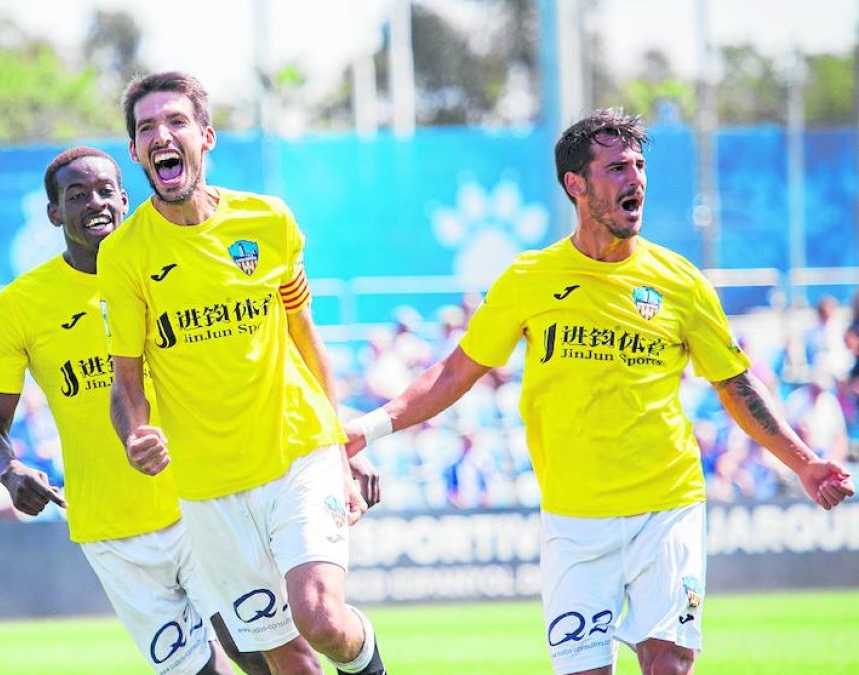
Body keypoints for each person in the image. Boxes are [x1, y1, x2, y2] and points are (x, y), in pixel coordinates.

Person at [344, 108, 854, 675]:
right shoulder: (529, 279)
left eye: (639, 166)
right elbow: (455, 372)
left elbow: (736, 386)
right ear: (576, 184)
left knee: (669, 665)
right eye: (616, 168)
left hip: (667, 506)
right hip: (575, 520)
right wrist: (371, 426)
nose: (634, 178)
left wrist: (803, 463)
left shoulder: (680, 282)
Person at [100, 72, 385, 675]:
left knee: (321, 619)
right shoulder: (124, 255)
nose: (161, 135)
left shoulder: (267, 222)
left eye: (175, 121)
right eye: (146, 127)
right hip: (208, 488)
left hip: (296, 454)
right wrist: (136, 434)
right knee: (287, 657)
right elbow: (127, 381)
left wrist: (340, 443)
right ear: (134, 153)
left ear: (205, 137)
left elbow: (307, 340)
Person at [0, 146, 270, 675]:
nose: (95, 203)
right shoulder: (18, 306)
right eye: (77, 194)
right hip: (110, 532)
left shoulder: (170, 267)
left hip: (198, 504)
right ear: (53, 212)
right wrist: (9, 470)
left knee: (261, 653)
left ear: (125, 198)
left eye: (106, 191)